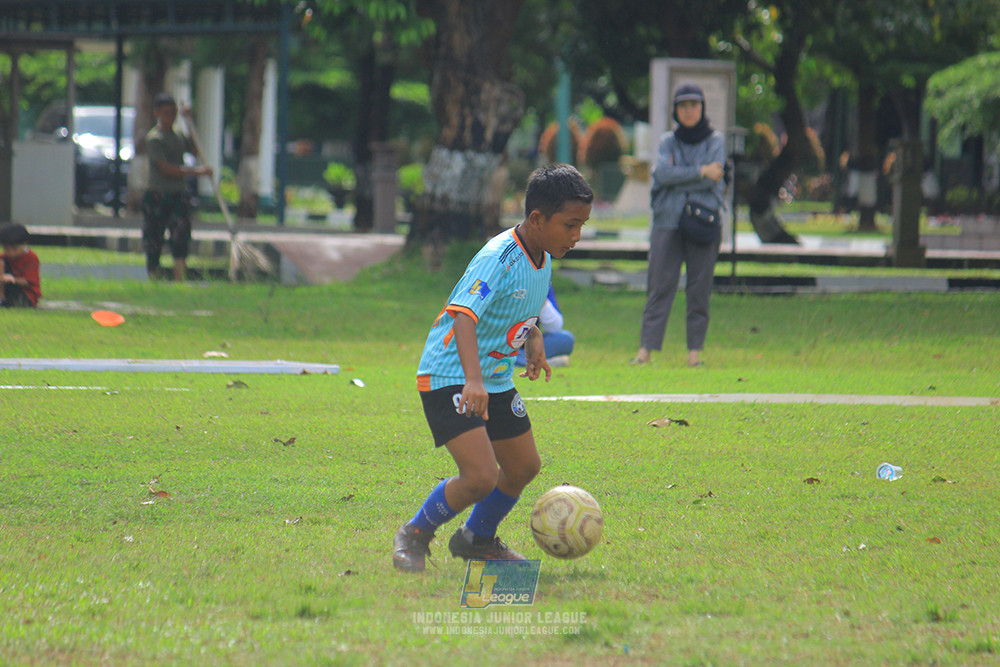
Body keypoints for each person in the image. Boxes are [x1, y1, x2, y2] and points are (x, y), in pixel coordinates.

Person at [393, 164, 593, 572]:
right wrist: (472, 381)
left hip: (493, 380)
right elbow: (464, 316)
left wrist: (534, 338)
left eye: (581, 226)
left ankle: (476, 539)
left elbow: (520, 308)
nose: (576, 237)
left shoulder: (542, 256)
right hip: (452, 376)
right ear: (537, 219)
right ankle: (414, 534)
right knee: (481, 476)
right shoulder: (497, 257)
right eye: (570, 226)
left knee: (523, 467)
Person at [632, 83, 726, 368]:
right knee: (659, 286)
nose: (689, 111)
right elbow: (661, 174)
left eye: (694, 105)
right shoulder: (667, 141)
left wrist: (681, 176)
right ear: (675, 110)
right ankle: (645, 351)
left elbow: (716, 175)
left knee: (699, 287)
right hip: (667, 221)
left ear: (702, 108)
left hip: (703, 222)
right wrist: (700, 171)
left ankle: (694, 353)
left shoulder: (715, 141)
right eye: (683, 106)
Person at [142, 92, 212, 281]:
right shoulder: (154, 138)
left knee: (181, 235)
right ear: (157, 113)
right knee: (154, 238)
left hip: (178, 194)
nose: (170, 116)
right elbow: (166, 169)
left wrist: (190, 121)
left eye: (173, 112)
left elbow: (194, 148)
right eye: (166, 112)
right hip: (158, 194)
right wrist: (198, 172)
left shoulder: (179, 135)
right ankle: (153, 276)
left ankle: (179, 276)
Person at [514, 284, 574, 368]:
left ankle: (518, 361)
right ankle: (537, 362)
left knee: (565, 339)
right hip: (499, 341)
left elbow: (554, 328)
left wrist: (541, 299)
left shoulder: (542, 279)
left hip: (527, 344)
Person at [0, 223, 41, 308]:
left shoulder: (31, 258)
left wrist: (13, 279)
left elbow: (28, 282)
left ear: (24, 244)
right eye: (6, 249)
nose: (10, 252)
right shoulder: (4, 258)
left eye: (14, 249)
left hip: (25, 293)